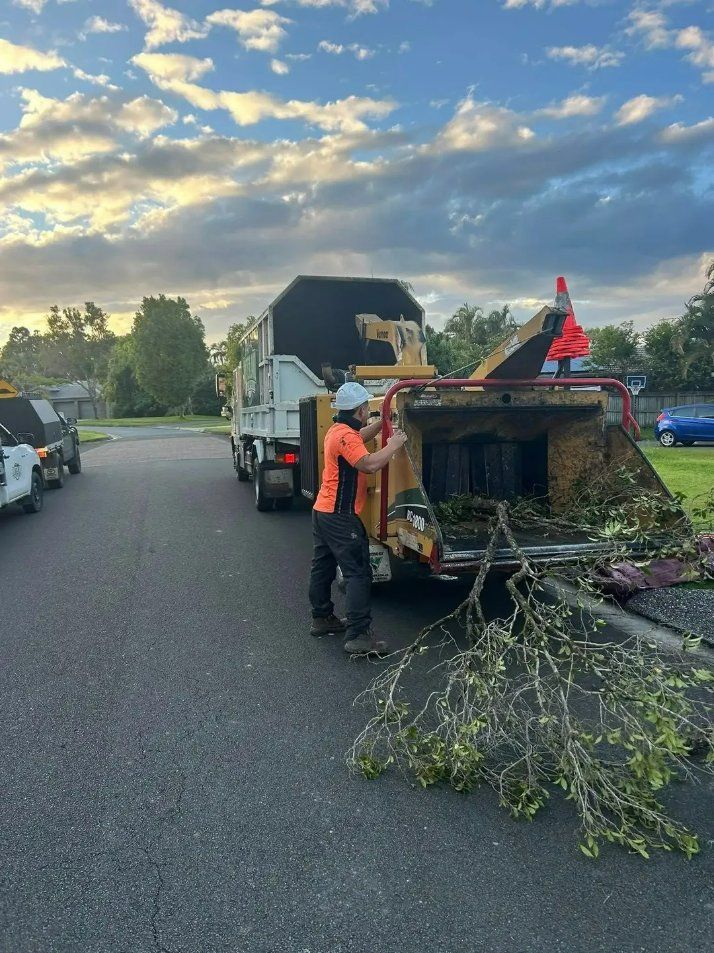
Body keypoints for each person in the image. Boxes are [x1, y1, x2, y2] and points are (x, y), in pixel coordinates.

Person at [308, 382, 408, 655]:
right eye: (368, 410)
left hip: (323, 512)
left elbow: (356, 438)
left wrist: (379, 426)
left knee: (323, 567)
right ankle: (359, 636)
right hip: (340, 516)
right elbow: (370, 463)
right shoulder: (346, 437)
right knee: (358, 573)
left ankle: (321, 617)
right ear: (362, 409)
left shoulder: (337, 430)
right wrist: (395, 444)